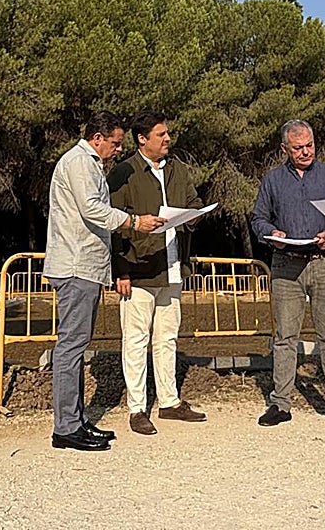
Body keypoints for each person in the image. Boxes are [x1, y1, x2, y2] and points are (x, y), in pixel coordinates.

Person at [44, 111, 165, 452]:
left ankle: (75, 420)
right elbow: (92, 209)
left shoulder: (88, 163)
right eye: (114, 143)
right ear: (97, 138)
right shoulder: (80, 162)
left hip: (85, 266)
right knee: (70, 347)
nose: (117, 149)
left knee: (77, 345)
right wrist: (133, 221)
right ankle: (66, 426)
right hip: (75, 266)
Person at [250, 119, 325, 430]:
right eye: (298, 147)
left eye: (310, 145)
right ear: (284, 149)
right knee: (285, 338)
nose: (306, 151)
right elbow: (258, 218)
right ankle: (280, 403)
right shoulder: (273, 180)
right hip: (286, 265)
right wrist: (269, 233)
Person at [108, 111, 207, 435]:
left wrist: (194, 215)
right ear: (142, 139)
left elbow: (193, 201)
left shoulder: (178, 168)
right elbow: (112, 222)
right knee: (135, 340)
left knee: (167, 338)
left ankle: (169, 402)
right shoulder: (124, 172)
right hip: (137, 269)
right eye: (160, 134)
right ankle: (137, 408)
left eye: (167, 134)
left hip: (172, 267)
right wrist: (120, 271)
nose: (167, 139)